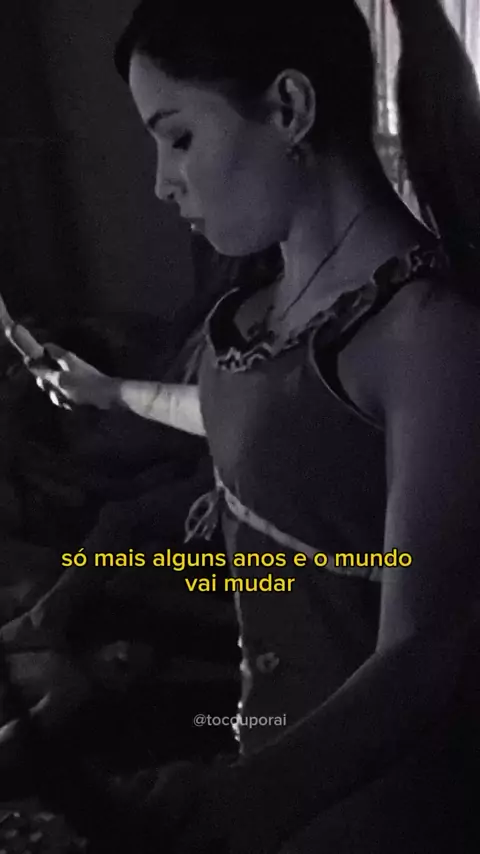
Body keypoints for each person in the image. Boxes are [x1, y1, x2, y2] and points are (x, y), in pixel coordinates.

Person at [4, 1, 480, 851]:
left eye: (179, 137)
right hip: (266, 750)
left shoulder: (427, 336)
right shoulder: (270, 304)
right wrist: (111, 392)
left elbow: (425, 652)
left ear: (289, 108)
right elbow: (272, 431)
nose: (162, 181)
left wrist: (239, 803)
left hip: (368, 809)